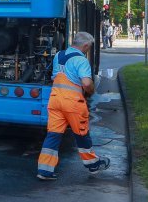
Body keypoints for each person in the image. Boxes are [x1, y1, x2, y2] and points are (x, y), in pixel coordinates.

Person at [37, 31, 110, 181]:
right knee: (82, 135)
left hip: (55, 100)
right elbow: (87, 83)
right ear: (85, 45)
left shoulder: (59, 55)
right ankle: (93, 164)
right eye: (88, 47)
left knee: (53, 135)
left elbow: (54, 76)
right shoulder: (81, 60)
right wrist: (90, 92)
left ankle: (44, 170)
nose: (88, 50)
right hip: (73, 103)